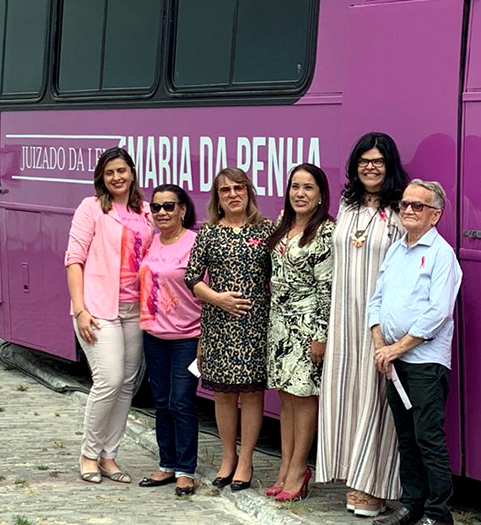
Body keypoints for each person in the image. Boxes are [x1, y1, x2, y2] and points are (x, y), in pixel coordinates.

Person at [317, 132, 408, 516]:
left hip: (378, 321)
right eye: (364, 161)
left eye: (378, 161)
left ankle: (373, 486)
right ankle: (351, 479)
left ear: (389, 167)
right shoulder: (347, 204)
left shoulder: (400, 210)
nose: (370, 167)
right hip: (343, 321)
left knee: (377, 401)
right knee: (347, 398)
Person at [369, 180, 463, 525]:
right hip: (393, 362)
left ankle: (439, 514)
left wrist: (398, 347)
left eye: (418, 206)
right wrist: (381, 346)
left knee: (428, 438)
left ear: (435, 215)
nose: (408, 210)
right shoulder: (395, 249)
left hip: (424, 362)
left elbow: (437, 314)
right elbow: (376, 300)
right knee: (405, 437)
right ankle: (412, 505)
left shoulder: (442, 255)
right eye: (404, 204)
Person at [65, 147, 153, 484]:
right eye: (109, 172)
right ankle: (88, 454)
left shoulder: (145, 212)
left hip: (134, 311)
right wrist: (80, 309)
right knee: (109, 380)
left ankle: (109, 456)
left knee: (127, 384)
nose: (117, 178)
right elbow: (74, 259)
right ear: (102, 178)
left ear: (132, 172)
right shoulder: (91, 209)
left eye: (122, 170)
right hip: (98, 309)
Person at [184, 167, 273, 492]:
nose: (233, 194)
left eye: (239, 188)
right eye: (225, 190)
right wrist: (218, 299)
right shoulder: (208, 232)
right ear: (217, 198)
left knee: (251, 394)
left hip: (255, 325)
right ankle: (227, 457)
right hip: (218, 325)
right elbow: (191, 278)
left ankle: (246, 459)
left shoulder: (267, 230)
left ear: (249, 192)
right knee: (222, 394)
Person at [265, 164, 335, 501]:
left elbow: (327, 289)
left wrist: (321, 335)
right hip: (279, 323)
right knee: (286, 397)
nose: (300, 194)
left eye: (308, 187)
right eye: (295, 186)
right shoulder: (283, 222)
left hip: (307, 325)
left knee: (305, 397)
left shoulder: (325, 233)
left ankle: (299, 469)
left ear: (321, 194)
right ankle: (284, 466)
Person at [136, 184, 201, 496]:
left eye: (169, 206)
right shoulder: (151, 241)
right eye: (156, 207)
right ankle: (167, 464)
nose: (162, 212)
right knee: (161, 402)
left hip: (188, 337)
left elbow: (207, 292)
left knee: (182, 402)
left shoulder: (195, 244)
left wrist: (206, 340)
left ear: (183, 210)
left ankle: (186, 470)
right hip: (154, 335)